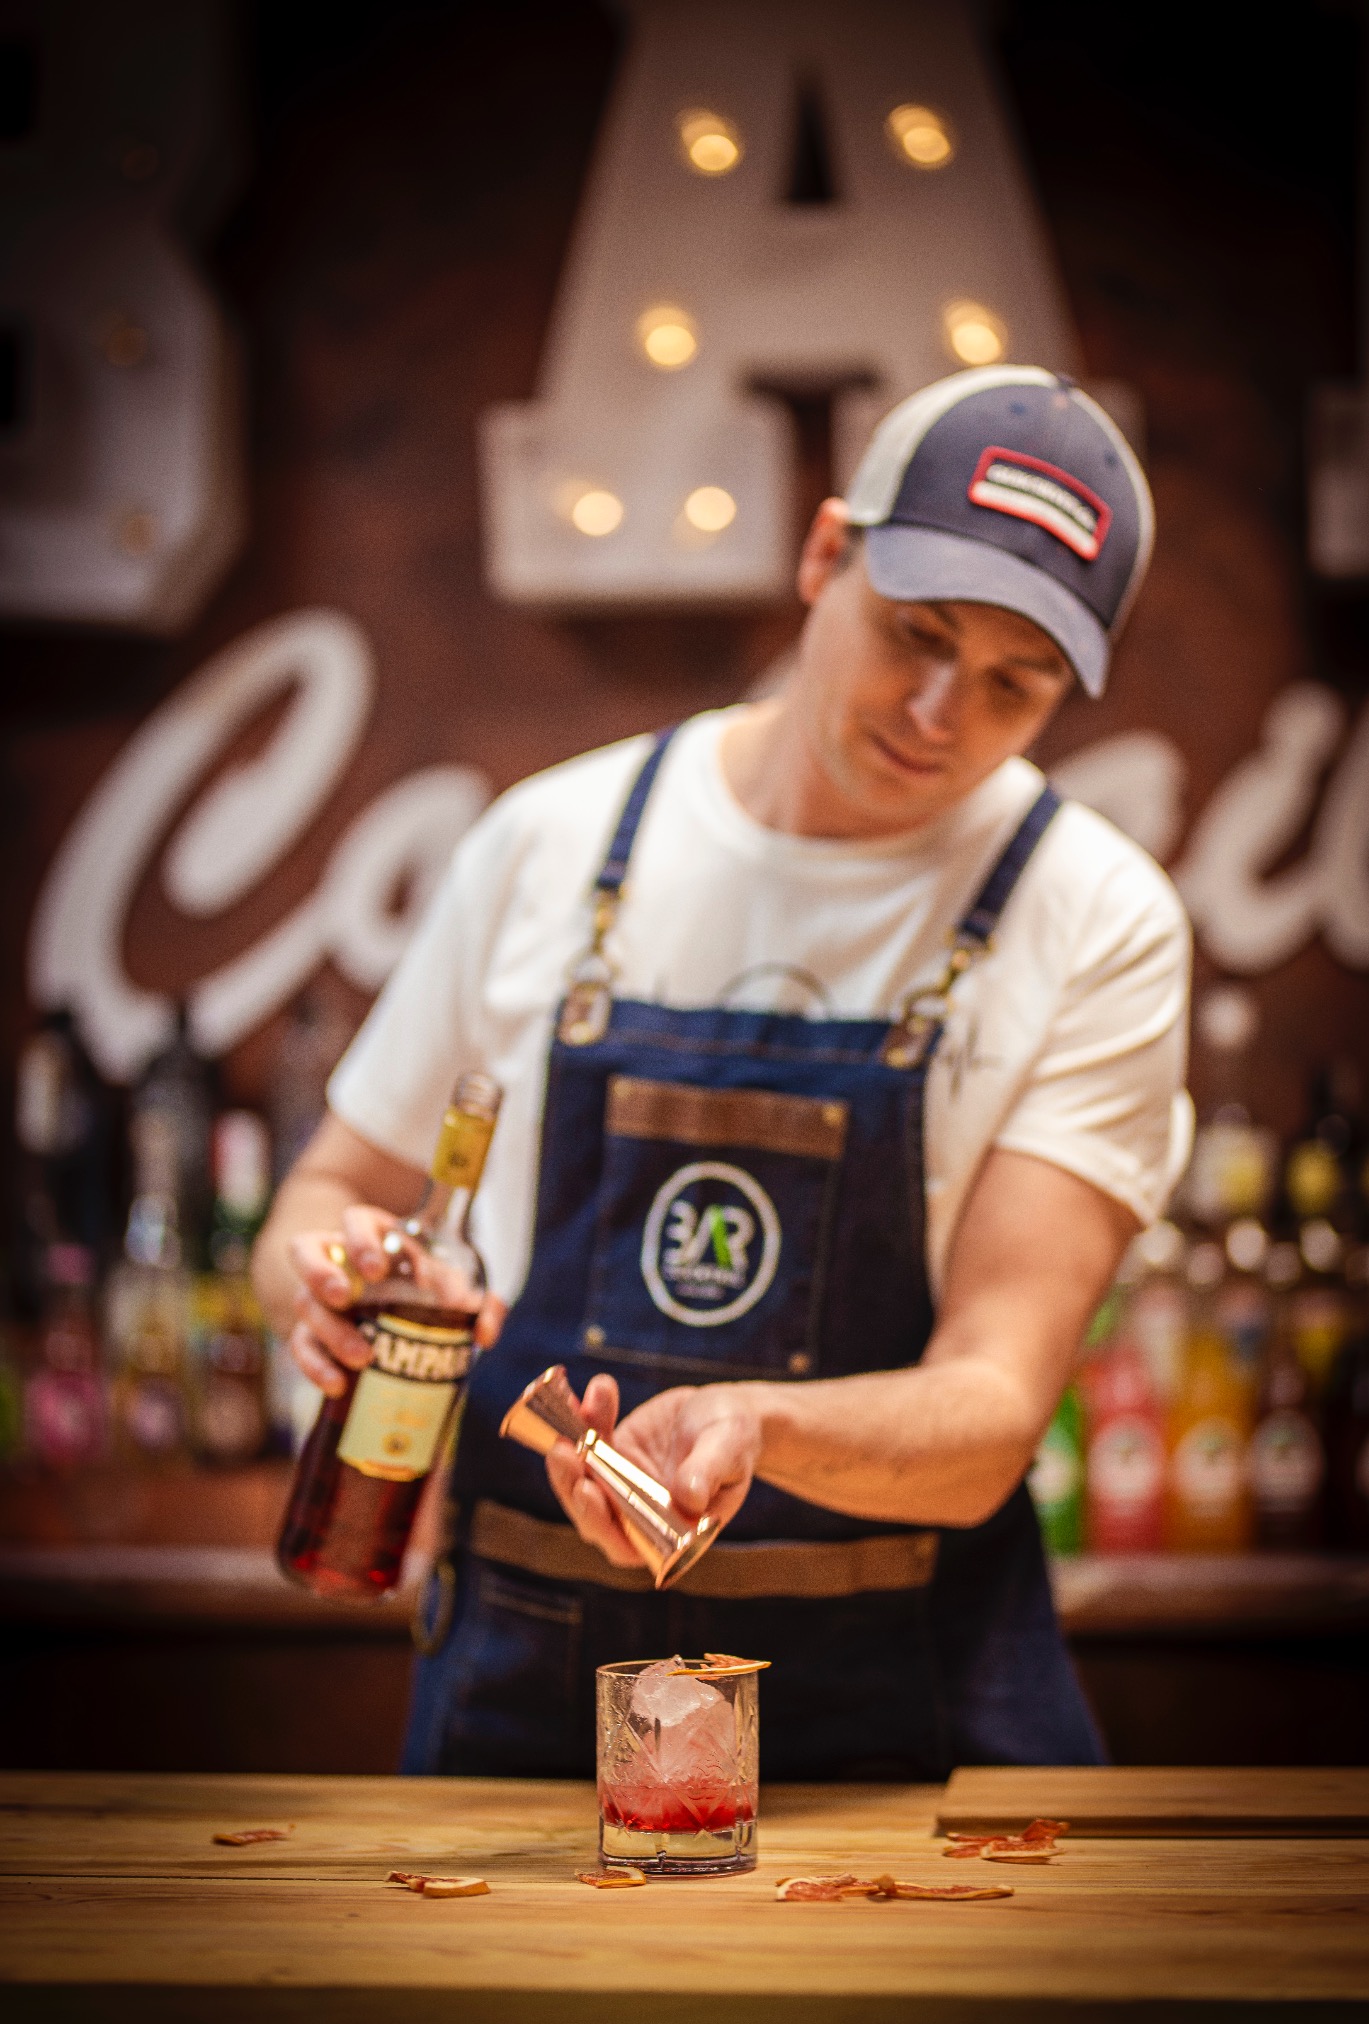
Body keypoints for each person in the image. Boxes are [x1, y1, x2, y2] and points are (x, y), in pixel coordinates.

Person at [253, 365, 1190, 1779]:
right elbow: (327, 1194)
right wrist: (322, 1290)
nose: (939, 711)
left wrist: (758, 1423)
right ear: (825, 553)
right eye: (912, 633)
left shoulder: (1097, 917)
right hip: (526, 1706)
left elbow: (994, 1409)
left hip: (905, 1727)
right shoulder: (545, 845)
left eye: (1016, 683)